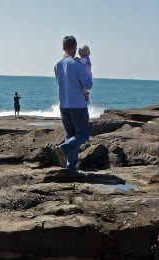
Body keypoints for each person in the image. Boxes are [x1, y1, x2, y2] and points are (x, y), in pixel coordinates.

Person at [53, 35, 93, 171]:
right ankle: (63, 149)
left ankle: (71, 166)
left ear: (63, 47)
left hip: (63, 105)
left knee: (71, 135)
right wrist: (88, 69)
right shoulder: (77, 64)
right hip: (78, 106)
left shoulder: (57, 64)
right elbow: (88, 84)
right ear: (74, 47)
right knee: (82, 135)